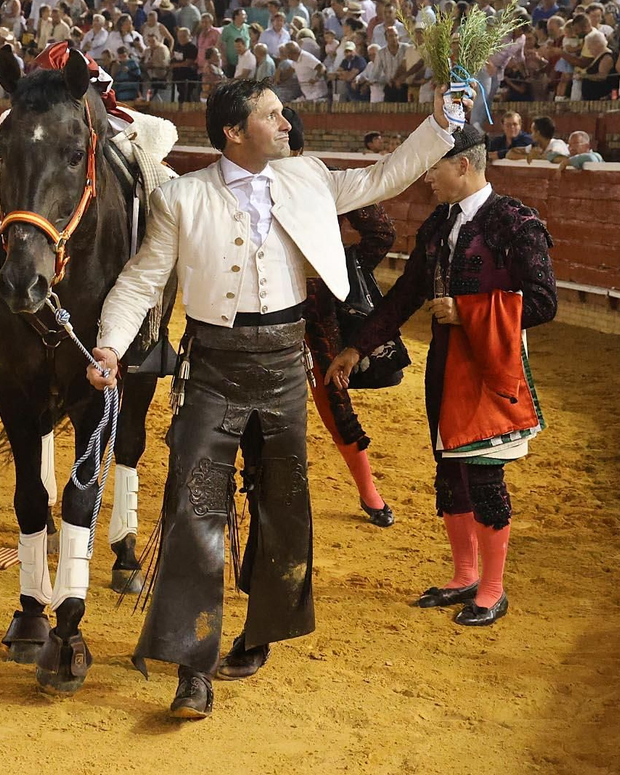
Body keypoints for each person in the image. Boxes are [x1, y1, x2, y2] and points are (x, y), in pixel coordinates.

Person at [86, 77, 456, 719]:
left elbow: (383, 178)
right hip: (213, 367)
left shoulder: (306, 176)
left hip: (285, 365)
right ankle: (192, 668)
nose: (287, 124)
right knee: (194, 510)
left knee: (282, 506)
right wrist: (112, 345)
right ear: (234, 132)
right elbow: (142, 279)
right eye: (273, 115)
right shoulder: (182, 196)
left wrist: (440, 125)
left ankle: (259, 634)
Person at [328, 123, 556, 628]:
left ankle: (493, 590)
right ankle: (465, 575)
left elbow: (543, 303)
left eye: (432, 167)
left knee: (484, 474)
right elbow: (408, 293)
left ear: (463, 164)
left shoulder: (515, 222)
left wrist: (467, 311)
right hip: (445, 363)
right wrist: (356, 347)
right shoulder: (440, 223)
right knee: (449, 468)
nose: (426, 177)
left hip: (489, 366)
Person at [283, 108, 394, 527]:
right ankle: (369, 494)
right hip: (308, 306)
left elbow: (381, 232)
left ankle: (369, 492)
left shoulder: (243, 180)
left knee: (331, 396)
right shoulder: (321, 180)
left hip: (297, 307)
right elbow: (381, 232)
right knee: (332, 397)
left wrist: (341, 272)